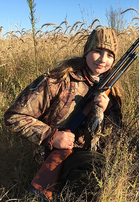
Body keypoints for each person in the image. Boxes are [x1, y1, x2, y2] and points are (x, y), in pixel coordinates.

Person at [4, 28, 123, 198]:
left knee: (103, 167)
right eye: (97, 51)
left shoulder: (111, 89)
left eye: (110, 55)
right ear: (87, 51)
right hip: (52, 151)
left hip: (91, 153)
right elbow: (13, 117)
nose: (103, 60)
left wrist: (107, 110)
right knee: (93, 167)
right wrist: (52, 136)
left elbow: (118, 133)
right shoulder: (57, 80)